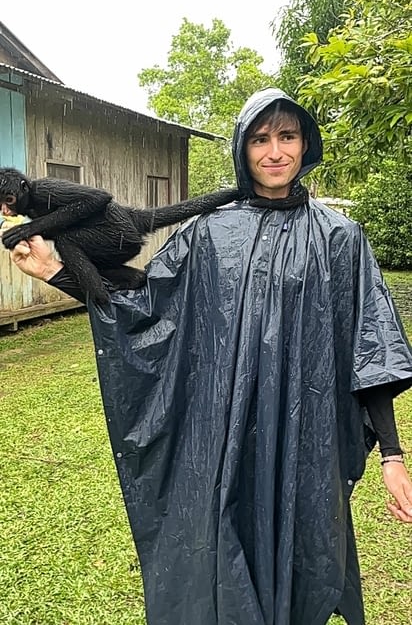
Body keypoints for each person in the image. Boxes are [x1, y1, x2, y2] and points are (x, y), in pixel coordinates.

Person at [10, 88, 412, 625]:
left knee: (303, 551)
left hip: (304, 440)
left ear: (306, 144)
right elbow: (144, 309)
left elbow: (370, 348)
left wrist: (392, 456)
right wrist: (55, 272)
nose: (275, 152)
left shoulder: (340, 238)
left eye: (287, 137)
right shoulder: (207, 234)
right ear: (243, 149)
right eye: (261, 139)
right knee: (223, 554)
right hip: (224, 437)